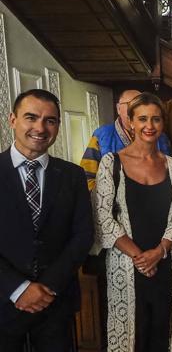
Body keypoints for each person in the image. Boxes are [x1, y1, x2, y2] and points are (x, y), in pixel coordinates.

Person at [92, 93, 172, 352]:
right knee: (133, 338)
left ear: (163, 124)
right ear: (130, 122)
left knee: (163, 334)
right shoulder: (111, 163)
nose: (150, 125)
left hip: (166, 263)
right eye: (142, 118)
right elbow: (102, 217)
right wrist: (140, 258)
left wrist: (158, 252)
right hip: (127, 265)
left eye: (156, 119)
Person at [0, 89, 93, 351]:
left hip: (56, 303)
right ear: (12, 119)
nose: (40, 127)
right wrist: (19, 289)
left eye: (50, 120)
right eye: (31, 117)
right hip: (4, 301)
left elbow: (82, 235)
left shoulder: (73, 175)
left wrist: (47, 286)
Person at [81, 89, 171, 190]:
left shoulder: (161, 138)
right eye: (131, 104)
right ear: (118, 108)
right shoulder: (102, 135)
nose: (136, 108)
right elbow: (86, 177)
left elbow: (169, 175)